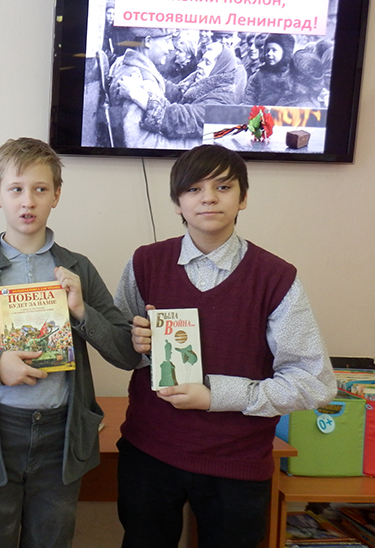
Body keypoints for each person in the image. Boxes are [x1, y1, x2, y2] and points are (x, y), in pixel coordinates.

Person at [113, 144, 336, 548]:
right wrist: (135, 341)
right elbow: (121, 347)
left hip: (236, 463)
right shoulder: (145, 262)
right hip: (149, 452)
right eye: (194, 189)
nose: (209, 198)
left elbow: (314, 382)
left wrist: (217, 395)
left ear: (243, 198)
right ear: (177, 203)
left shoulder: (275, 277)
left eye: (223, 186)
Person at [0, 138, 139, 548]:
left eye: (40, 189)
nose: (28, 201)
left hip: (60, 437)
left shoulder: (77, 267)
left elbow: (126, 353)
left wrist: (82, 312)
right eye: (16, 189)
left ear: (56, 195)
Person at [116, 42, 238, 148]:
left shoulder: (223, 103)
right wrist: (146, 70)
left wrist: (135, 93)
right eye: (202, 60)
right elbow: (176, 92)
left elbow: (183, 119)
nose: (199, 65)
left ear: (220, 70)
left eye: (207, 63)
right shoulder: (200, 87)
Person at [107, 27, 178, 148]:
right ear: (148, 41)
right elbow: (139, 143)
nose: (171, 47)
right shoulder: (142, 79)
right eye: (167, 41)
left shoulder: (123, 62)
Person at [244, 33, 295, 106]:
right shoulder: (260, 74)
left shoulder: (292, 75)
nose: (269, 53)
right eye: (267, 50)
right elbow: (250, 96)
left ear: (285, 52)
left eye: (274, 50)